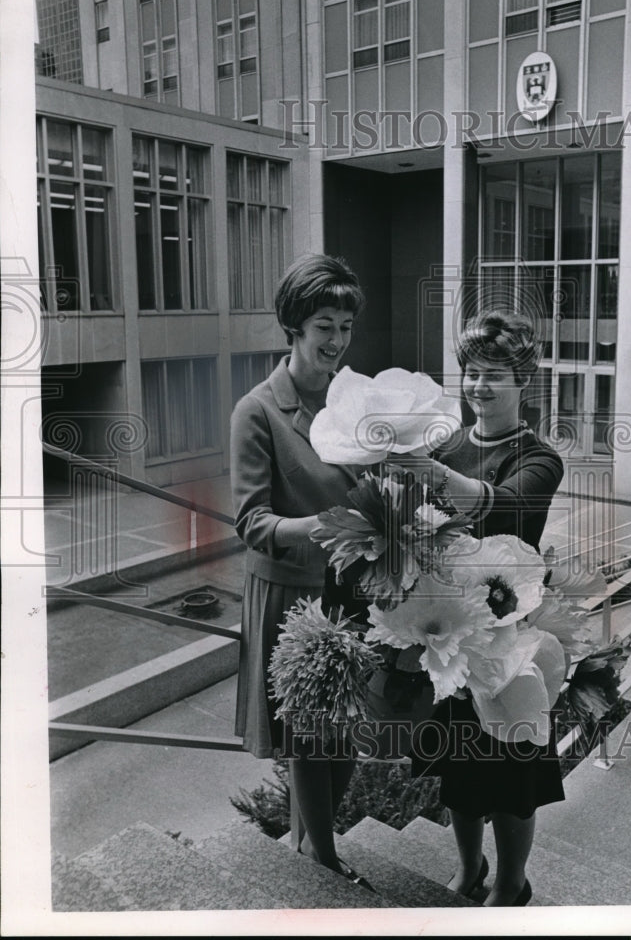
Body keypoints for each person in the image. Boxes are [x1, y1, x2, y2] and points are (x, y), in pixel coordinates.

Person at [399, 309, 565, 906]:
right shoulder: (447, 442)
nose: (479, 385)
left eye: (496, 372)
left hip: (512, 643)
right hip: (451, 639)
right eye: (471, 370)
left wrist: (424, 469)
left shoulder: (540, 458)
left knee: (513, 777)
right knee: (460, 774)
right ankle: (469, 868)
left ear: (525, 383)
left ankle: (512, 883)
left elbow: (499, 508)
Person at [230, 253, 372, 887]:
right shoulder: (256, 412)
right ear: (294, 327)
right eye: (324, 325)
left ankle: (312, 846)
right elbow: (251, 523)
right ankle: (322, 856)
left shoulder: (357, 398)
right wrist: (329, 527)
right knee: (313, 735)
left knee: (348, 730)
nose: (337, 341)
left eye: (344, 325)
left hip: (355, 588)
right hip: (293, 596)